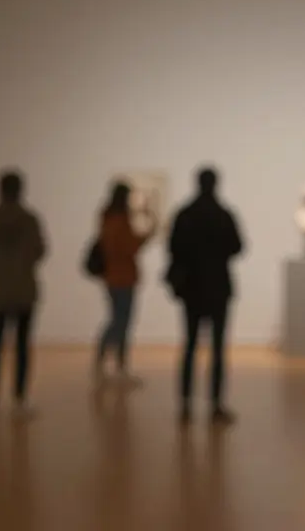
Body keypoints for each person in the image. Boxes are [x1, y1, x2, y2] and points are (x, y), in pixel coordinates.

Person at [166, 168, 243, 424]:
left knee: (189, 345)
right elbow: (237, 246)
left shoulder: (185, 215)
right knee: (218, 349)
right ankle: (216, 405)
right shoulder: (223, 214)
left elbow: (173, 248)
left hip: (191, 290)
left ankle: (186, 405)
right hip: (218, 289)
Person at [0, 169, 47, 417]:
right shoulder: (30, 219)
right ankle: (20, 397)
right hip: (24, 289)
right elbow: (40, 251)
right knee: (22, 345)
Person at [94, 181, 154, 384]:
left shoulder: (107, 219)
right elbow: (131, 246)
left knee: (117, 320)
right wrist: (149, 228)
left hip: (114, 277)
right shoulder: (119, 221)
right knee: (121, 322)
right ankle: (114, 364)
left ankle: (107, 363)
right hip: (123, 278)